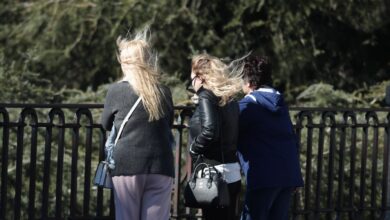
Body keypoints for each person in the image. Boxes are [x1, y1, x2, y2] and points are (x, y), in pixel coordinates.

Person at [101, 28, 174, 220]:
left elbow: (105, 123)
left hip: (127, 165)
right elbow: (169, 122)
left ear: (125, 63)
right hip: (161, 165)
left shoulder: (116, 91)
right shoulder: (164, 92)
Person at [237, 55, 304, 220]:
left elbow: (227, 131)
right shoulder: (280, 103)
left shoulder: (248, 105)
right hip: (288, 173)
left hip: (263, 175)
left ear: (248, 82)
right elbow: (291, 138)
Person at [188, 53, 243, 220]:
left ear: (200, 77)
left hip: (214, 175)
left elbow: (210, 130)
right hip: (232, 172)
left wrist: (194, 148)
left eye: (191, 78)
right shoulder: (229, 98)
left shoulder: (206, 95)